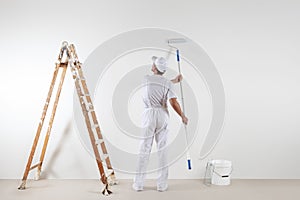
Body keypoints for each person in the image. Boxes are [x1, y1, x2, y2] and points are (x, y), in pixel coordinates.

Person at [132, 56, 188, 192]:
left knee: (144, 149)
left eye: (153, 63)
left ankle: (138, 184)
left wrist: (173, 81)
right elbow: (173, 102)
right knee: (162, 150)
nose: (151, 64)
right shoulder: (167, 83)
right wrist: (182, 116)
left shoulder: (146, 79)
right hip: (163, 115)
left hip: (149, 115)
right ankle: (161, 185)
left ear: (155, 68)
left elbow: (158, 83)